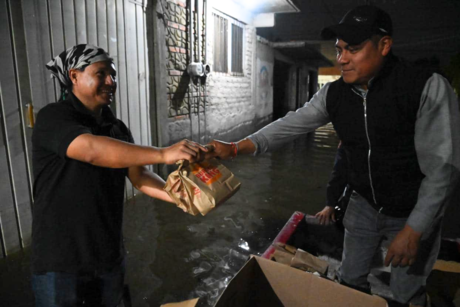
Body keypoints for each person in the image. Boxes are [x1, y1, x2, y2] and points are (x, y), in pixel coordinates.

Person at [205, 5, 460, 306]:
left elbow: (443, 168)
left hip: (411, 209)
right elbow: (290, 125)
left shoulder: (424, 88)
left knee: (406, 292)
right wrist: (236, 147)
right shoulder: (334, 95)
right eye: (339, 50)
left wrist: (415, 229)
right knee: (349, 282)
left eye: (353, 49)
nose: (342, 59)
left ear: (384, 45)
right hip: (363, 205)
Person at [31, 44, 208, 306]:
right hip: (61, 263)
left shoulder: (116, 127)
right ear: (74, 76)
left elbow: (138, 177)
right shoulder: (53, 118)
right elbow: (90, 149)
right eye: (101, 73)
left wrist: (180, 197)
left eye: (112, 75)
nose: (111, 82)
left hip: (109, 258)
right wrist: (163, 153)